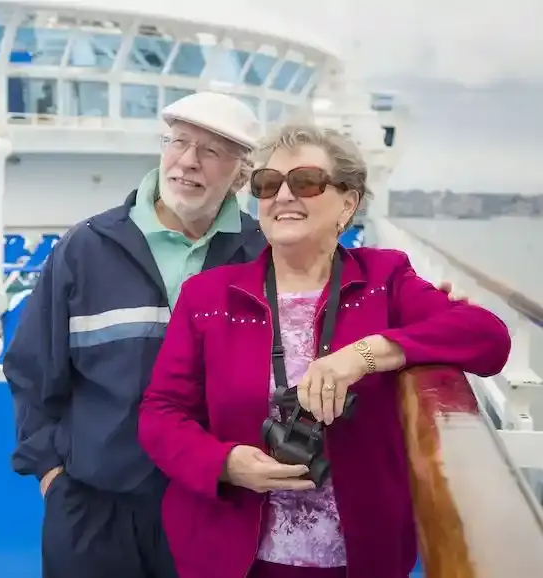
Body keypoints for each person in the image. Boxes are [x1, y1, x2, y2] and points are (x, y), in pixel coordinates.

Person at [137, 123, 512, 578]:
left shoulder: (385, 280)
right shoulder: (208, 296)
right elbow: (161, 413)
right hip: (233, 555)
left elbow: (488, 337)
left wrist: (366, 354)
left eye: (306, 182)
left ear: (348, 204)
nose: (284, 196)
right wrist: (225, 464)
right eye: (269, 184)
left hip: (358, 556)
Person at [3, 91, 268, 578]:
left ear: (241, 172)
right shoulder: (86, 247)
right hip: (93, 508)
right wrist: (51, 475)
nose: (188, 162)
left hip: (215, 504)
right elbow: (32, 369)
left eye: (210, 151)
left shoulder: (262, 256)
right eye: (179, 142)